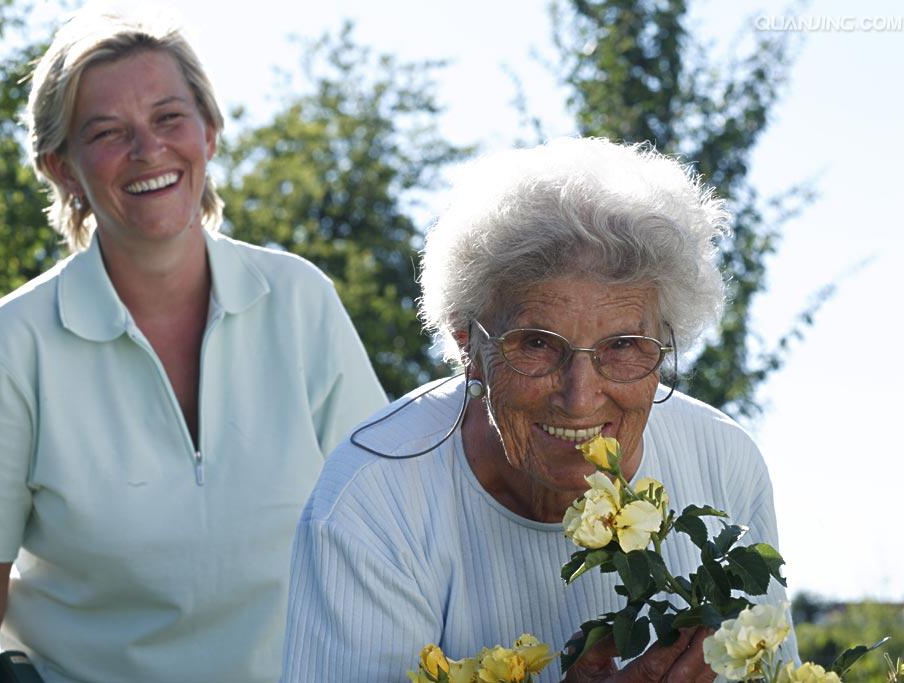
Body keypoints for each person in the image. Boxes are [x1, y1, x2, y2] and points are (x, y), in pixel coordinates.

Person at [0, 7, 386, 682]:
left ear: (209, 132)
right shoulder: (9, 349)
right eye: (107, 132)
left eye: (168, 118)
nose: (147, 149)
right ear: (61, 168)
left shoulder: (300, 302)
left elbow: (378, 537)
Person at [280, 137, 796, 681]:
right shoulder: (372, 500)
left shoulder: (724, 461)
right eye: (536, 344)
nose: (580, 396)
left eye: (622, 346)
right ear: (468, 348)